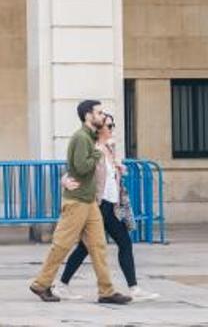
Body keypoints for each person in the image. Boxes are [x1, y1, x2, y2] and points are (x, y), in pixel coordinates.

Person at [29, 99, 132, 305]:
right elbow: (81, 167)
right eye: (99, 112)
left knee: (98, 246)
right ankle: (41, 283)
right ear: (88, 115)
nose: (102, 116)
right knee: (62, 245)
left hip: (90, 201)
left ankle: (106, 291)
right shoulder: (81, 138)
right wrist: (98, 149)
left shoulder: (91, 137)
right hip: (76, 202)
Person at [57, 112, 158, 301]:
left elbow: (109, 177)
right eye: (109, 126)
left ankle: (134, 288)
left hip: (111, 206)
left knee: (123, 243)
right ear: (100, 128)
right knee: (86, 247)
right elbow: (74, 169)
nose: (112, 129)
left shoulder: (110, 149)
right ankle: (62, 285)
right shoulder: (92, 147)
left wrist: (119, 170)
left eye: (113, 125)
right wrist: (64, 180)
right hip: (96, 205)